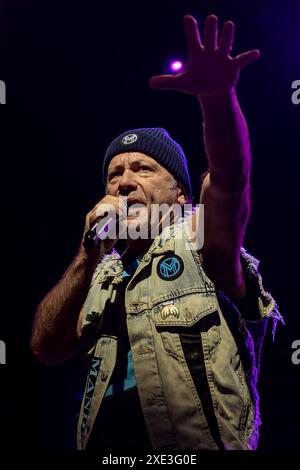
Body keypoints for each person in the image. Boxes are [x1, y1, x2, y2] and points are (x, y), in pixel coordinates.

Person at [31, 14, 283, 450]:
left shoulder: (200, 241)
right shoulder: (101, 275)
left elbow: (229, 182)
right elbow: (45, 347)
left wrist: (217, 99)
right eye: (113, 175)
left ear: (180, 194)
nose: (123, 182)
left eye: (143, 168)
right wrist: (87, 254)